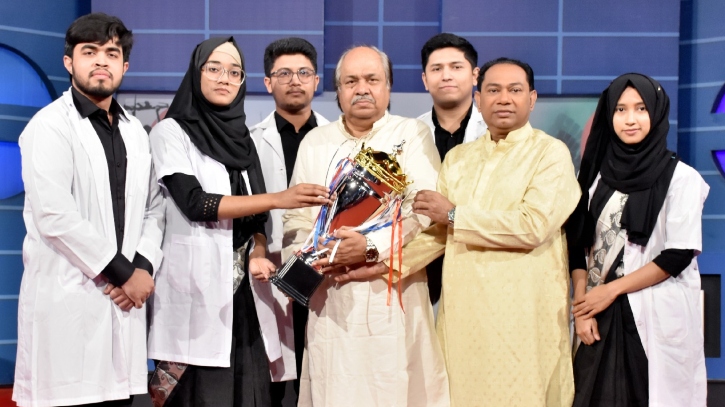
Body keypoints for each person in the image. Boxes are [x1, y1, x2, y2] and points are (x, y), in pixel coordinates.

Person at [146, 37, 329, 407]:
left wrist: (259, 250)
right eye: (214, 68)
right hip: (197, 288)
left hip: (246, 291)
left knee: (252, 394)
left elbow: (257, 218)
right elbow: (195, 203)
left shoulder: (242, 138)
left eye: (234, 72)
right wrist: (280, 198)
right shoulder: (171, 131)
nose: (224, 78)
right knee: (201, 395)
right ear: (196, 73)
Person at [395, 57, 580, 406]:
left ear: (532, 99)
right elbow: (439, 233)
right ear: (479, 100)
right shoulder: (458, 159)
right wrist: (383, 264)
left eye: (515, 90)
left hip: (524, 317)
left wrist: (454, 214)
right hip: (465, 316)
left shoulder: (550, 154)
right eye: (493, 90)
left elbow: (533, 226)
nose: (504, 98)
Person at [282, 45, 449, 407]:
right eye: (351, 81)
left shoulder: (412, 133)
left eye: (372, 80)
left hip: (393, 293)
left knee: (396, 387)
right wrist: (305, 260)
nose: (362, 89)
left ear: (388, 87)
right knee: (335, 388)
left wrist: (371, 247)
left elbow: (423, 211)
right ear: (338, 90)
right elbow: (296, 217)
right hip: (331, 296)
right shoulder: (316, 141)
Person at [13, 13, 163, 407]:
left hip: (125, 306)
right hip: (68, 305)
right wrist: (123, 275)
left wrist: (142, 268)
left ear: (124, 66)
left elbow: (154, 207)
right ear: (69, 62)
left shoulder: (136, 132)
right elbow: (54, 216)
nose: (101, 61)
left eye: (112, 53)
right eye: (89, 51)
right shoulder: (49, 126)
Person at [566, 73, 708, 406]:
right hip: (597, 315)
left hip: (651, 311)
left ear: (656, 113)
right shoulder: (594, 176)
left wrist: (610, 291)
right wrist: (582, 307)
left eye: (641, 108)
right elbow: (577, 244)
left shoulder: (682, 178)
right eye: (621, 109)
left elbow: (677, 255)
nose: (630, 119)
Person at [249, 37, 328, 405]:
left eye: (303, 73)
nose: (295, 80)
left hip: (325, 270)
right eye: (284, 73)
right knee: (271, 386)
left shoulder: (336, 138)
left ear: (316, 81)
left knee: (321, 379)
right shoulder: (250, 142)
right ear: (268, 83)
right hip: (268, 269)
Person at [417, 32, 487, 311]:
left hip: (479, 254)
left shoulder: (495, 132)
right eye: (437, 69)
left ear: (475, 75)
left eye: (456, 67)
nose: (446, 75)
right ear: (425, 80)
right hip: (421, 258)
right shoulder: (409, 134)